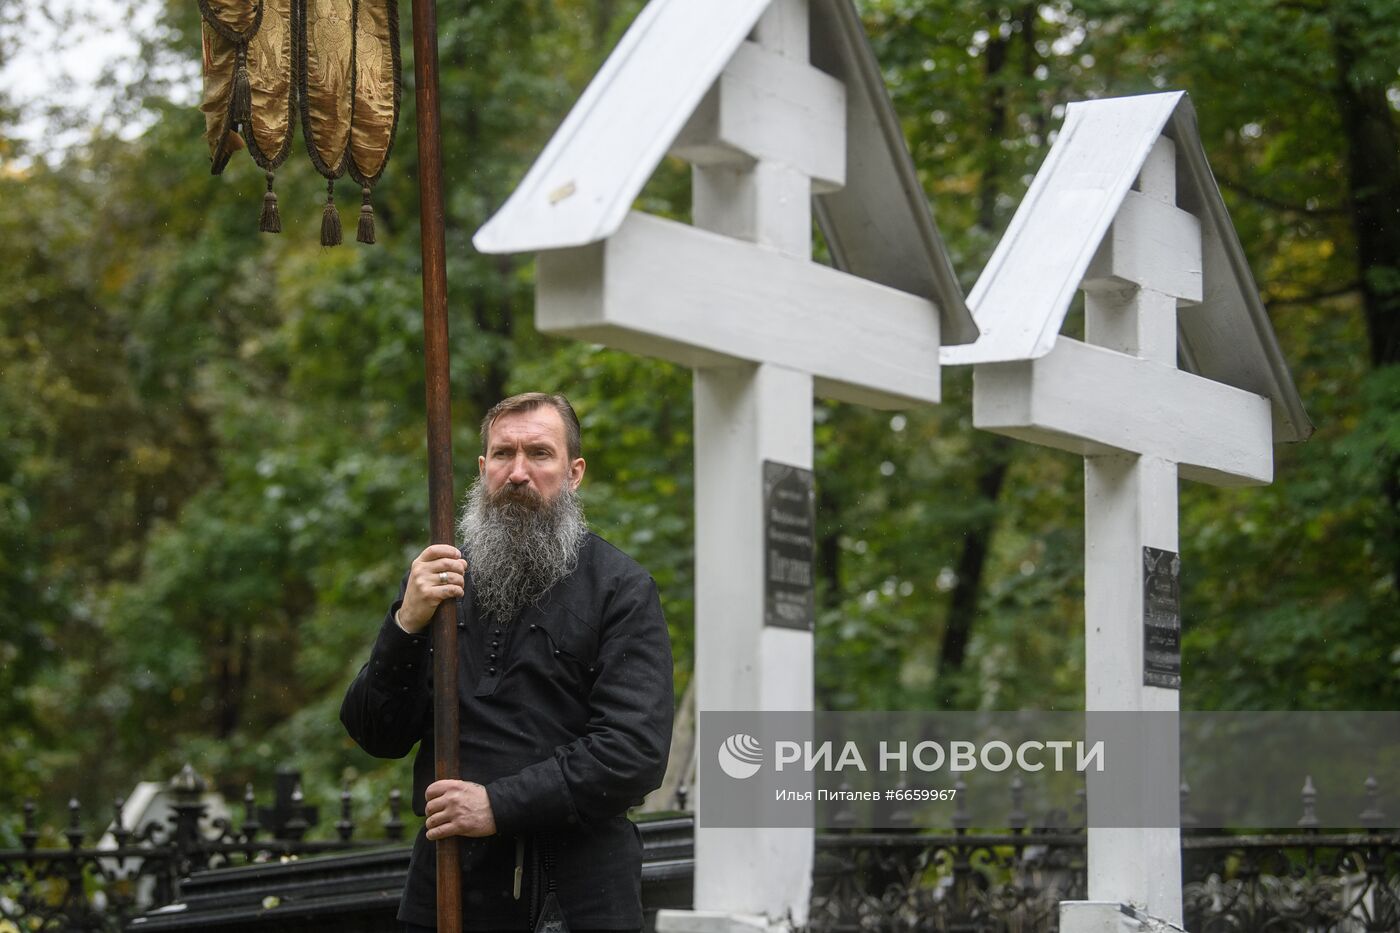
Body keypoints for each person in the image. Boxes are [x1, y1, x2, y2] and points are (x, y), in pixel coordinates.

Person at [340, 392, 674, 933]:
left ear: (574, 472)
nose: (518, 472)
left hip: (575, 901)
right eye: (502, 454)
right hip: (446, 892)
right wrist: (405, 623)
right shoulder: (438, 580)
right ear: (481, 468)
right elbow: (375, 733)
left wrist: (498, 805)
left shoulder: (621, 589)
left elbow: (633, 752)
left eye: (539, 454)